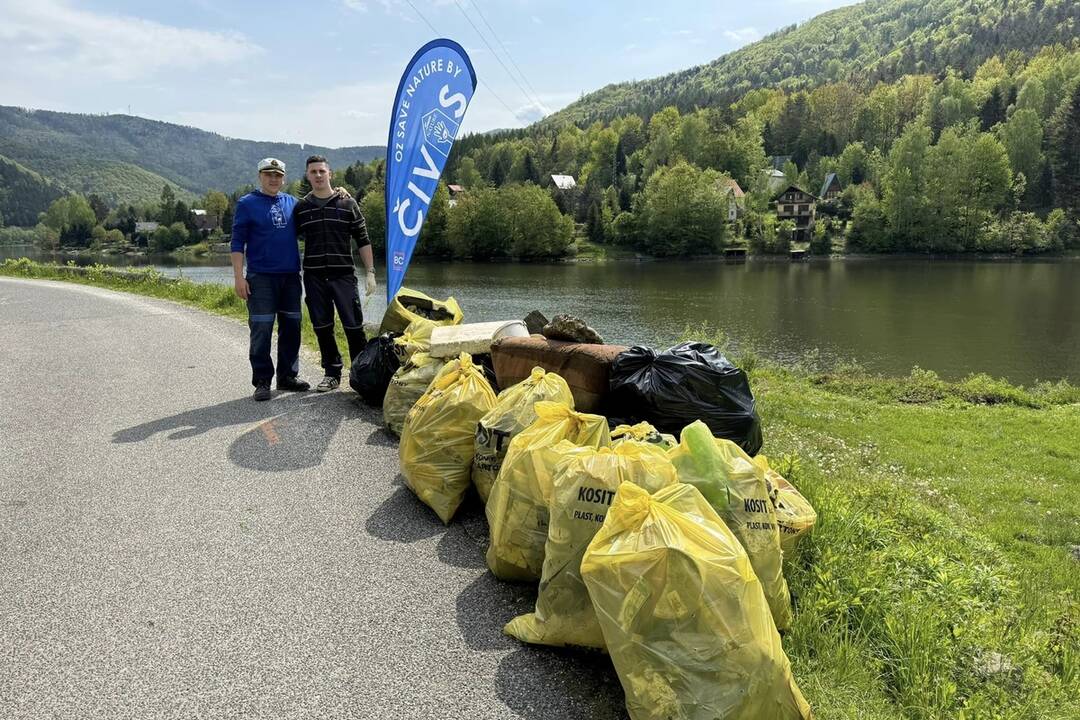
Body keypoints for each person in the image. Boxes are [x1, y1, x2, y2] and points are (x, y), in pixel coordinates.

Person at [230, 157, 311, 401]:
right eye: (268, 174)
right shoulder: (247, 203)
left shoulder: (293, 203)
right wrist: (238, 278)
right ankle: (263, 380)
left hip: (290, 277)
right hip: (261, 277)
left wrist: (338, 192)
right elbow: (237, 243)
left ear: (284, 178)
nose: (273, 179)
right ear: (260, 177)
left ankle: (287, 377)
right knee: (262, 329)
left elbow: (318, 207)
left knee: (292, 327)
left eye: (278, 175)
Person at [294, 154, 377, 392]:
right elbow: (287, 238)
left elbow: (363, 239)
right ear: (308, 176)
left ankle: (362, 373)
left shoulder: (347, 203)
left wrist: (370, 271)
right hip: (314, 277)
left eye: (322, 171)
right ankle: (332, 373)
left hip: (343, 275)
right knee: (322, 326)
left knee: (353, 326)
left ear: (330, 174)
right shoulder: (301, 209)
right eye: (313, 172)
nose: (318, 175)